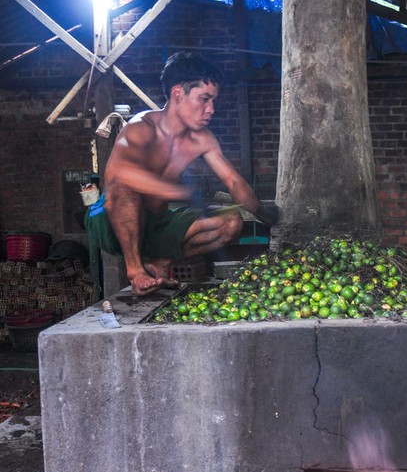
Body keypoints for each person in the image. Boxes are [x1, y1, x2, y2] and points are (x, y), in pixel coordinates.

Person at [85, 52, 279, 296]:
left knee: (232, 223)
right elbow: (119, 177)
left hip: (156, 225)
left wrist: (262, 212)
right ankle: (136, 271)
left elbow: (232, 180)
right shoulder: (141, 128)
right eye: (204, 99)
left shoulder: (203, 139)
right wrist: (178, 191)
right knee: (125, 186)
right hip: (111, 222)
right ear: (178, 93)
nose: (211, 109)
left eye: (213, 101)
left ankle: (162, 262)